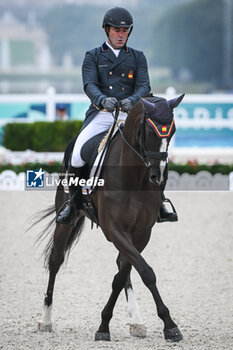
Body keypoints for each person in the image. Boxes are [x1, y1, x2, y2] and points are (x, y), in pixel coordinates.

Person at [56, 7, 177, 224]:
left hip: (130, 115)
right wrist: (102, 99)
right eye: (116, 30)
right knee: (76, 153)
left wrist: (132, 101)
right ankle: (73, 202)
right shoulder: (93, 56)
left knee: (156, 151)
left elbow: (144, 85)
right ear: (106, 30)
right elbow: (89, 84)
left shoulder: (138, 57)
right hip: (102, 114)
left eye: (125, 30)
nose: (121, 34)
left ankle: (159, 202)